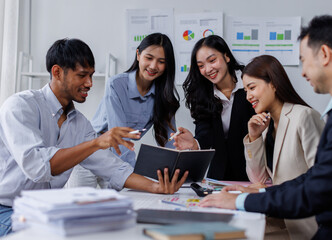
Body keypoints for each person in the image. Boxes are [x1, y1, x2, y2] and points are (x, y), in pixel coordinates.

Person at [0, 38, 188, 237]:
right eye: (82, 75)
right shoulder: (20, 106)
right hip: (6, 209)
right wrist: (96, 142)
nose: (89, 83)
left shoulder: (79, 123)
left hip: (45, 211)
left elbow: (114, 167)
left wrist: (156, 187)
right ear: (57, 72)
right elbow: (38, 167)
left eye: (90, 75)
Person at [200, 15, 332, 239]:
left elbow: (319, 187)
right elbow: (312, 177)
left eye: (304, 60)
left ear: (324, 54)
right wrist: (257, 187)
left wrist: (241, 200)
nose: (302, 72)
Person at [66, 33, 179, 188]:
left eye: (161, 62)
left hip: (116, 160)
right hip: (90, 153)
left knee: (119, 206)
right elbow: (119, 137)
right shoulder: (117, 84)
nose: (153, 66)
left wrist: (173, 173)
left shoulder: (164, 96)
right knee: (79, 208)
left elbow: (171, 142)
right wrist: (132, 177)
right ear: (138, 55)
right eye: (149, 58)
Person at [242, 55, 324, 239]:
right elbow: (259, 179)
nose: (248, 96)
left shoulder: (304, 116)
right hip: (279, 217)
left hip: (306, 224)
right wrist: (254, 137)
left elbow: (321, 179)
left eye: (252, 87)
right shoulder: (265, 127)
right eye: (245, 90)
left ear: (273, 83)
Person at [173, 35, 255, 181]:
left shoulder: (250, 84)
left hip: (254, 172)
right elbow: (205, 134)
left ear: (226, 57)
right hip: (219, 176)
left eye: (212, 60)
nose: (208, 69)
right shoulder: (202, 94)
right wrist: (194, 143)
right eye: (201, 66)